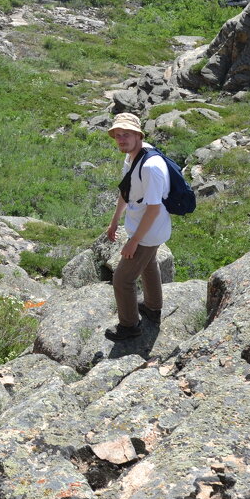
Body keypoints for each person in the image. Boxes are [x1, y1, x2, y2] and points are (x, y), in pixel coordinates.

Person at [104, 112, 169, 341]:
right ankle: (152, 307)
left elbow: (153, 208)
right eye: (117, 135)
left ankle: (129, 326)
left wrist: (133, 242)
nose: (121, 139)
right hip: (146, 228)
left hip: (148, 231)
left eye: (127, 134)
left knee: (122, 279)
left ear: (138, 135)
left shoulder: (150, 166)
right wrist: (114, 222)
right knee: (149, 263)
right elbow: (126, 191)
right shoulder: (133, 157)